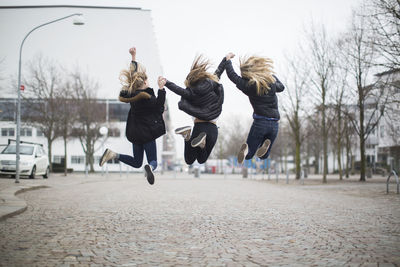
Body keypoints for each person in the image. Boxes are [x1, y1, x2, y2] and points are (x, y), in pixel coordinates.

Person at [99, 47, 166, 185]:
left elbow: (132, 74)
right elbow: (160, 108)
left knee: (136, 162)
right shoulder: (149, 97)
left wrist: (133, 57)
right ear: (146, 82)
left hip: (135, 133)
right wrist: (161, 89)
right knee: (153, 160)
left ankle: (113, 155)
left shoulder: (131, 95)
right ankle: (150, 168)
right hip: (147, 133)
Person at [160, 55, 225, 165]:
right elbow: (218, 73)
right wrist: (225, 59)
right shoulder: (212, 84)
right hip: (212, 127)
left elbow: (178, 90)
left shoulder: (191, 92)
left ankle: (187, 136)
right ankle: (201, 144)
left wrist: (166, 82)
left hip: (199, 126)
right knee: (201, 160)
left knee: (189, 160)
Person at [222, 53, 285, 164]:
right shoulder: (272, 84)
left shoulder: (249, 86)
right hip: (274, 123)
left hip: (260, 123)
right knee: (264, 156)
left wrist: (227, 61)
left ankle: (247, 150)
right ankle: (264, 147)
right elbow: (282, 87)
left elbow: (233, 76)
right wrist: (271, 76)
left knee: (249, 154)